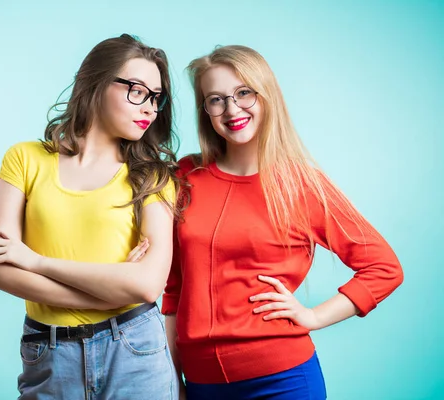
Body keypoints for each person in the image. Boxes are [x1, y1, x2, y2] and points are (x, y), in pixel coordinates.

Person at [162, 45, 404, 400]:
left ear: (266, 96)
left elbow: (383, 268)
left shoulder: (300, 184)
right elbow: (174, 291)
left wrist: (315, 317)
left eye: (244, 93)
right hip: (201, 383)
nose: (232, 109)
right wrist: (171, 380)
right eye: (216, 99)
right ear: (206, 111)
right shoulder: (186, 175)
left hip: (283, 380)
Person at [0, 34, 180, 400]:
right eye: (137, 91)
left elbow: (148, 286)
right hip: (50, 354)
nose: (150, 108)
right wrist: (109, 294)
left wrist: (35, 261)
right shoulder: (24, 159)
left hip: (135, 350)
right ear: (95, 82)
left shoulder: (153, 176)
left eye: (155, 97)